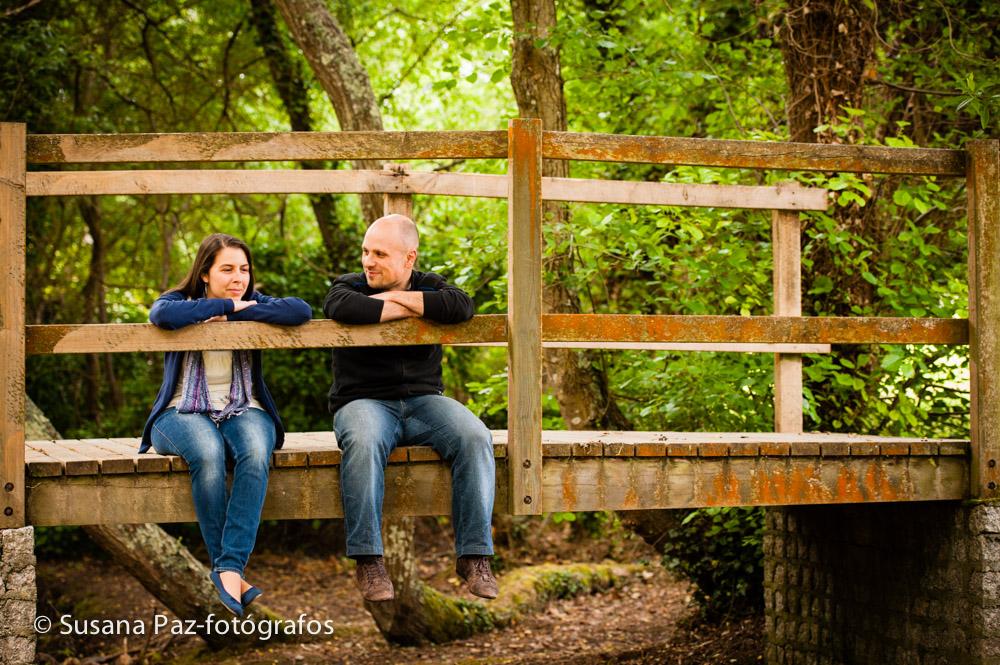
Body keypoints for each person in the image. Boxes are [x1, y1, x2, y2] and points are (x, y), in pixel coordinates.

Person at [324, 214, 498, 602]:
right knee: (364, 442)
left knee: (475, 436)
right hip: (363, 402)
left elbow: (460, 305)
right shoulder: (348, 286)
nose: (368, 262)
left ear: (409, 258)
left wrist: (391, 301)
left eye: (379, 254)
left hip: (424, 402)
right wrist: (420, 306)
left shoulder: (431, 283)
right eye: (365, 251)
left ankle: (474, 557)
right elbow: (343, 307)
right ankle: (369, 560)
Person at [140, 233, 311, 617]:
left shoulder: (253, 302)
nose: (239, 278)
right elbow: (162, 316)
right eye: (228, 269)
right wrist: (224, 306)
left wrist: (236, 313)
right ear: (205, 273)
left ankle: (228, 567)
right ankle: (230, 568)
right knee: (208, 452)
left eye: (244, 270)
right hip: (181, 411)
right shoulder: (179, 302)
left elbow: (299, 311)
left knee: (255, 451)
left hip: (243, 406)